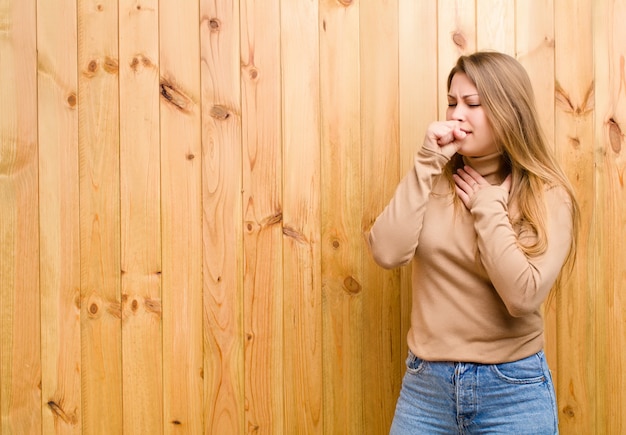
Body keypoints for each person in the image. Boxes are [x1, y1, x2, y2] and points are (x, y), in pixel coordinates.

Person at [367, 51, 579, 434]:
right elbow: (386, 251)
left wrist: (488, 207)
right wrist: (426, 161)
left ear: (508, 110)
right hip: (425, 390)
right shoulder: (432, 178)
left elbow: (522, 296)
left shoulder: (548, 195)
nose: (455, 115)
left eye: (472, 104)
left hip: (513, 393)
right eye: (451, 102)